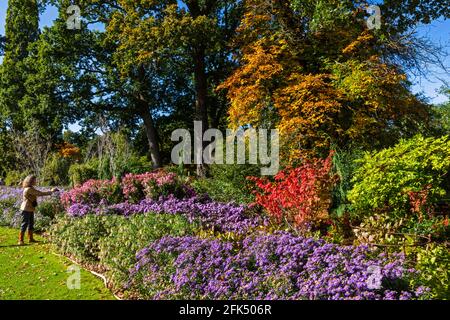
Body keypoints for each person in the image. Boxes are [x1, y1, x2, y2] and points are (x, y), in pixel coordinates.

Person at [19, 175, 57, 245]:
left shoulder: (30, 188)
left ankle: (31, 239)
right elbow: (40, 193)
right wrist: (51, 191)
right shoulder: (29, 189)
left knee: (31, 224)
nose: (36, 181)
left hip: (30, 208)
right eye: (34, 180)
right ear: (30, 181)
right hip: (26, 209)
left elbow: (38, 193)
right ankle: (20, 240)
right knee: (24, 224)